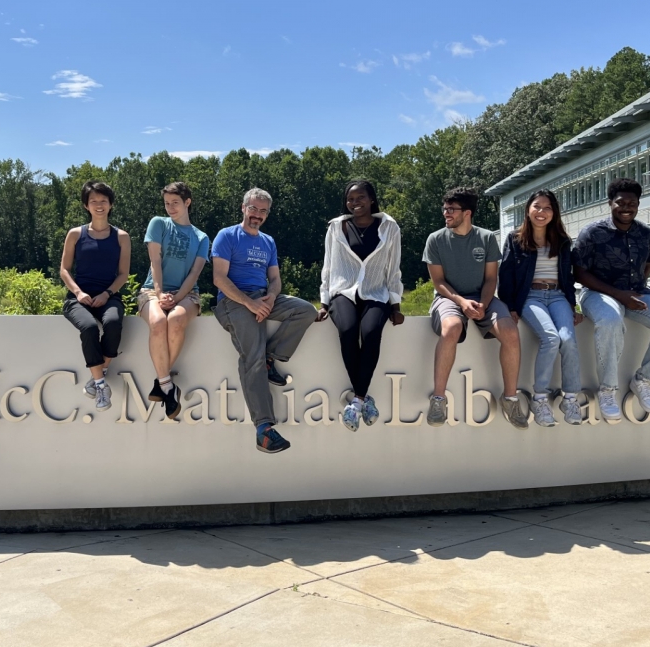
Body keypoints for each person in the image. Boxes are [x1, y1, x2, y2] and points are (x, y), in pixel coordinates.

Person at [212, 188, 317, 454]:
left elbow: (276, 278)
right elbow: (219, 279)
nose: (257, 215)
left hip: (261, 298)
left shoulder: (267, 242)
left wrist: (270, 297)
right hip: (233, 302)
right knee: (252, 358)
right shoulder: (227, 236)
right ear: (243, 207)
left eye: (263, 211)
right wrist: (250, 303)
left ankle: (272, 357)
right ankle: (264, 430)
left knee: (306, 311)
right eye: (253, 209)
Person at [573, 177, 650, 421]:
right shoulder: (593, 233)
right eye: (620, 203)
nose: (626, 208)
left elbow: (648, 263)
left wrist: (636, 289)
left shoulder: (646, 234)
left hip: (634, 294)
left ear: (638, 204)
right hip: (597, 294)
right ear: (610, 203)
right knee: (611, 320)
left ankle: (645, 380)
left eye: (631, 203)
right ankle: (607, 389)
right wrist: (618, 295)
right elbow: (579, 272)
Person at [423, 187, 526, 429]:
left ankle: (510, 398)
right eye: (445, 208)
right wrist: (461, 302)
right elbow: (438, 282)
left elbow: (491, 278)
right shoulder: (435, 239)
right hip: (449, 297)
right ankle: (439, 399)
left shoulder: (486, 237)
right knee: (452, 327)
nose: (446, 213)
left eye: (451, 209)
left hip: (483, 297)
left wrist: (484, 303)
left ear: (467, 212)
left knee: (511, 331)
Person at [316, 180, 405, 432]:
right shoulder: (336, 227)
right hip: (343, 292)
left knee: (370, 333)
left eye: (360, 198)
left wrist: (396, 305)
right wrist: (324, 302)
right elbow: (328, 266)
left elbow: (393, 267)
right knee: (347, 330)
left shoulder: (389, 227)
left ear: (371, 199)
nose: (355, 203)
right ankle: (362, 399)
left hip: (376, 293)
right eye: (350, 199)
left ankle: (356, 401)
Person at [499, 189, 583, 427]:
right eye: (537, 206)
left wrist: (571, 305)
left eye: (547, 208)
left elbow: (567, 277)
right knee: (551, 338)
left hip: (557, 296)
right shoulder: (515, 240)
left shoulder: (562, 240)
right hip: (530, 297)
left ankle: (570, 398)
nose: (541, 212)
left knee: (568, 339)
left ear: (554, 212)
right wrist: (511, 307)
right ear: (528, 209)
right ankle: (540, 399)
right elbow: (506, 277)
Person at [138, 181, 209, 419]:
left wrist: (177, 297)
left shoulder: (201, 237)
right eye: (167, 203)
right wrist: (159, 294)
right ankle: (168, 386)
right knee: (158, 322)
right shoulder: (158, 223)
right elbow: (155, 262)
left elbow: (194, 274)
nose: (170, 208)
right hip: (152, 289)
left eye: (175, 203)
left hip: (187, 293)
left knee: (176, 318)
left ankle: (161, 382)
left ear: (187, 202)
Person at [59, 181, 131, 412]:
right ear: (86, 205)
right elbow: (64, 270)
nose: (99, 205)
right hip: (77, 298)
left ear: (110, 205)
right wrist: (78, 292)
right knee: (89, 327)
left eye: (103, 201)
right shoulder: (75, 234)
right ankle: (101, 384)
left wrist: (107, 293)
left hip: (108, 296)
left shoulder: (122, 237)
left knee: (112, 323)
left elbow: (123, 274)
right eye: (93, 201)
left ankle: (97, 375)